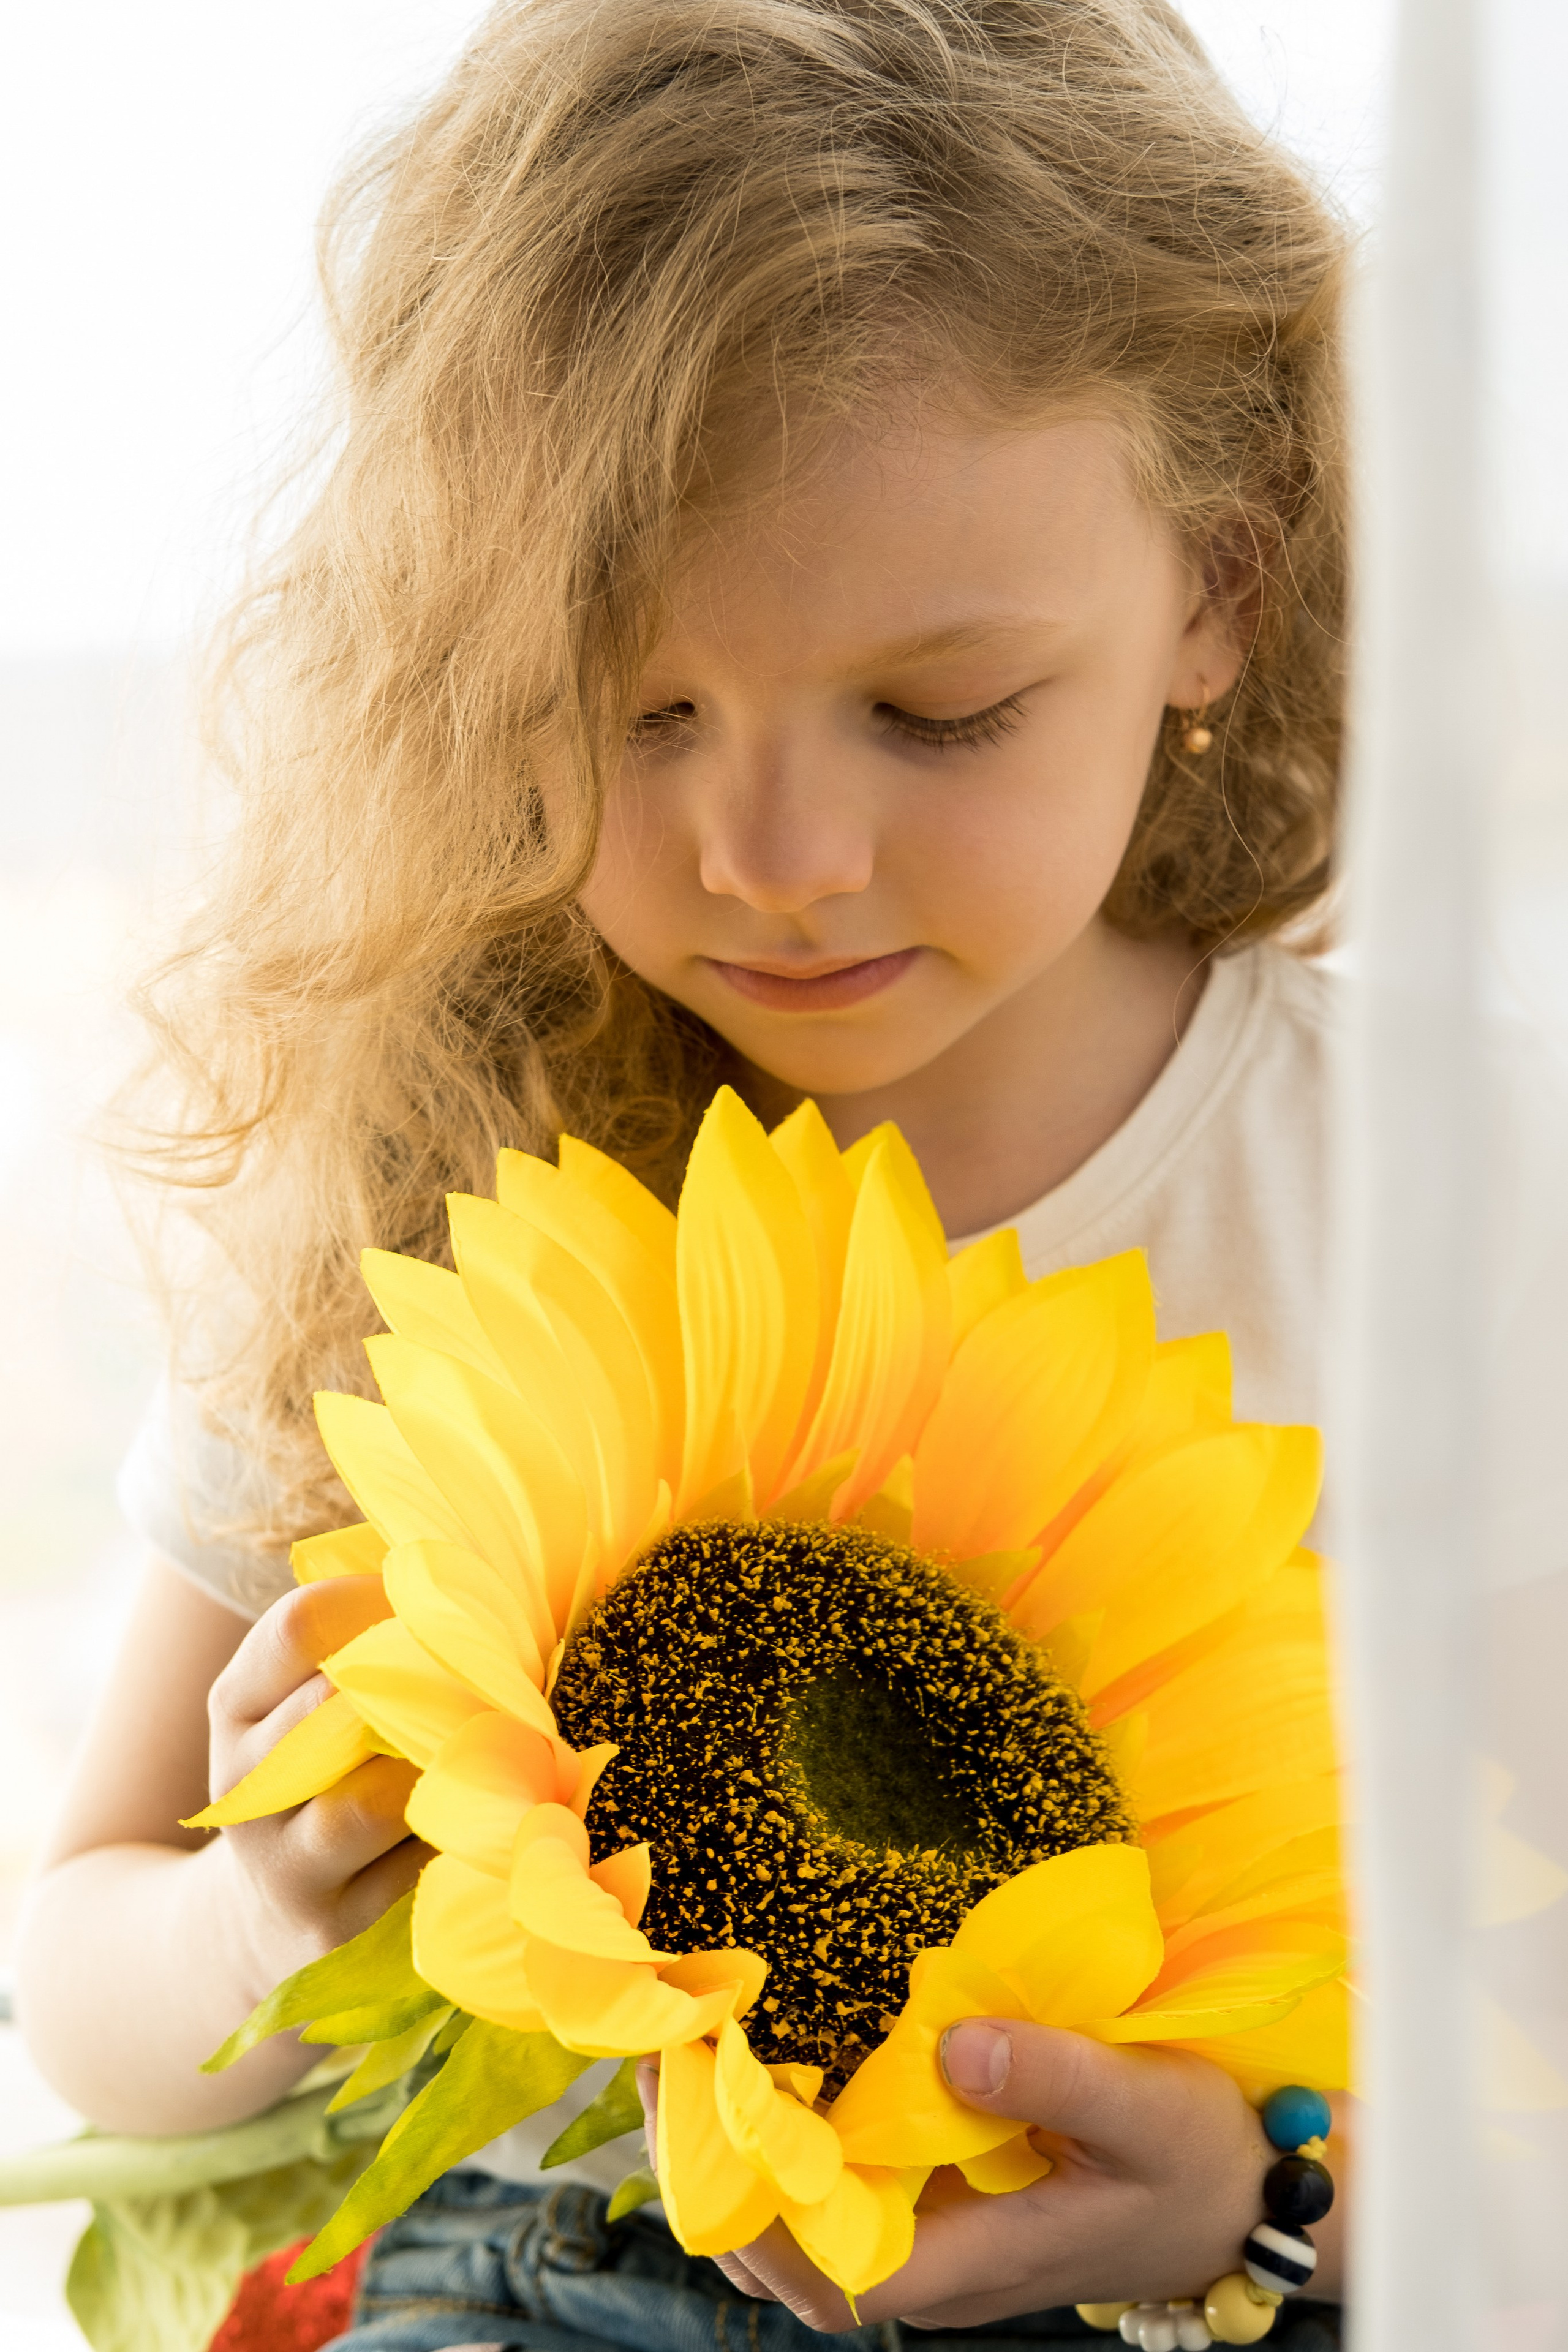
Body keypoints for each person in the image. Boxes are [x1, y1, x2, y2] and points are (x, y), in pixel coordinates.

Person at [15, 1, 1356, 2345]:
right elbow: (86, 1962)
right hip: (536, 2274)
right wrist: (275, 1912)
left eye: (940, 713)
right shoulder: (435, 1163)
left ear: (1221, 583)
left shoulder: (1433, 1202)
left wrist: (1267, 2206)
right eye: (631, 710)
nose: (778, 859)